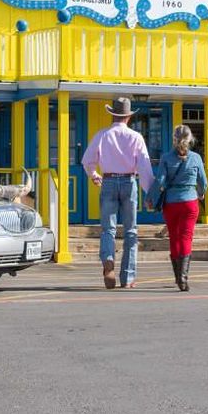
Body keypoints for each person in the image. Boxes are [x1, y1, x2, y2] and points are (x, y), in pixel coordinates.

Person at [81, 97, 154, 289]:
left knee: (108, 229)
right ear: (128, 117)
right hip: (129, 182)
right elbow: (145, 167)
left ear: (112, 115)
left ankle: (108, 261)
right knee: (131, 231)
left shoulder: (102, 134)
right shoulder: (136, 137)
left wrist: (95, 175)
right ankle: (128, 277)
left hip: (109, 181)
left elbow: (87, 160)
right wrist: (150, 194)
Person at [147, 125, 207, 292]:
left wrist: (149, 198)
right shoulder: (196, 158)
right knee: (186, 238)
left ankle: (177, 277)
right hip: (190, 202)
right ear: (190, 139)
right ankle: (183, 279)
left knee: (174, 237)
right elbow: (203, 182)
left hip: (171, 203)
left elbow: (159, 181)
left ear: (174, 139)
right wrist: (200, 194)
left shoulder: (166, 158)